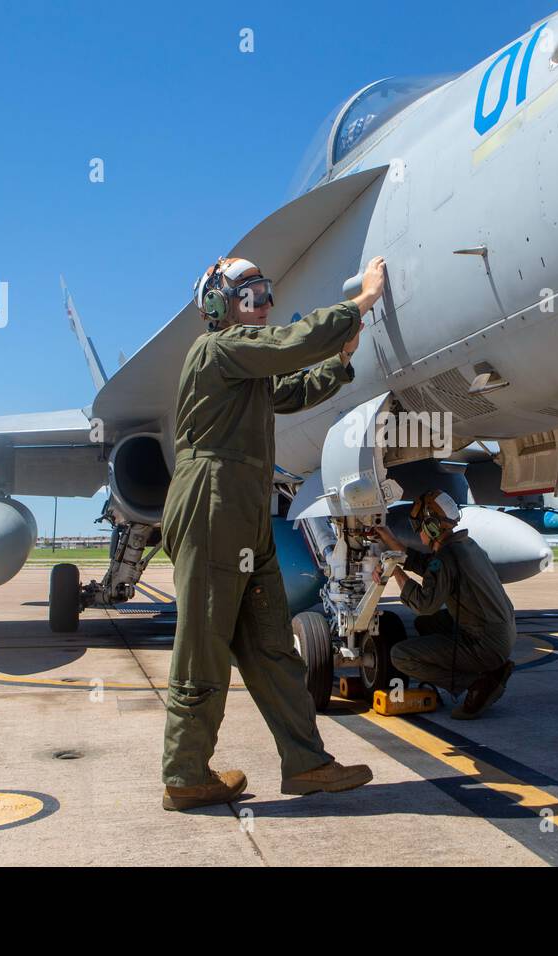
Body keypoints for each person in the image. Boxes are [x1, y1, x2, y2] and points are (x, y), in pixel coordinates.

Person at [159, 254, 387, 811]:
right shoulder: (218, 350)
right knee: (203, 644)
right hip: (212, 504)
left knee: (269, 644)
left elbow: (293, 390)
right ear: (216, 306)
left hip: (242, 509)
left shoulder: (245, 371)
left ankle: (306, 763)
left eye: (265, 292)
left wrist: (341, 360)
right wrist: (360, 305)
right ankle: (186, 772)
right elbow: (289, 346)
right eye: (248, 294)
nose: (262, 303)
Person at [372, 490, 517, 719]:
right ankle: (489, 668)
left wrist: (395, 572)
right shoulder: (465, 546)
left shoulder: (447, 557)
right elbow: (426, 564)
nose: (417, 532)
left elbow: (423, 603)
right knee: (428, 624)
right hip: (500, 635)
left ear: (431, 527)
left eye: (418, 526)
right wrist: (387, 537)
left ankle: (477, 683)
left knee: (400, 656)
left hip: (485, 643)